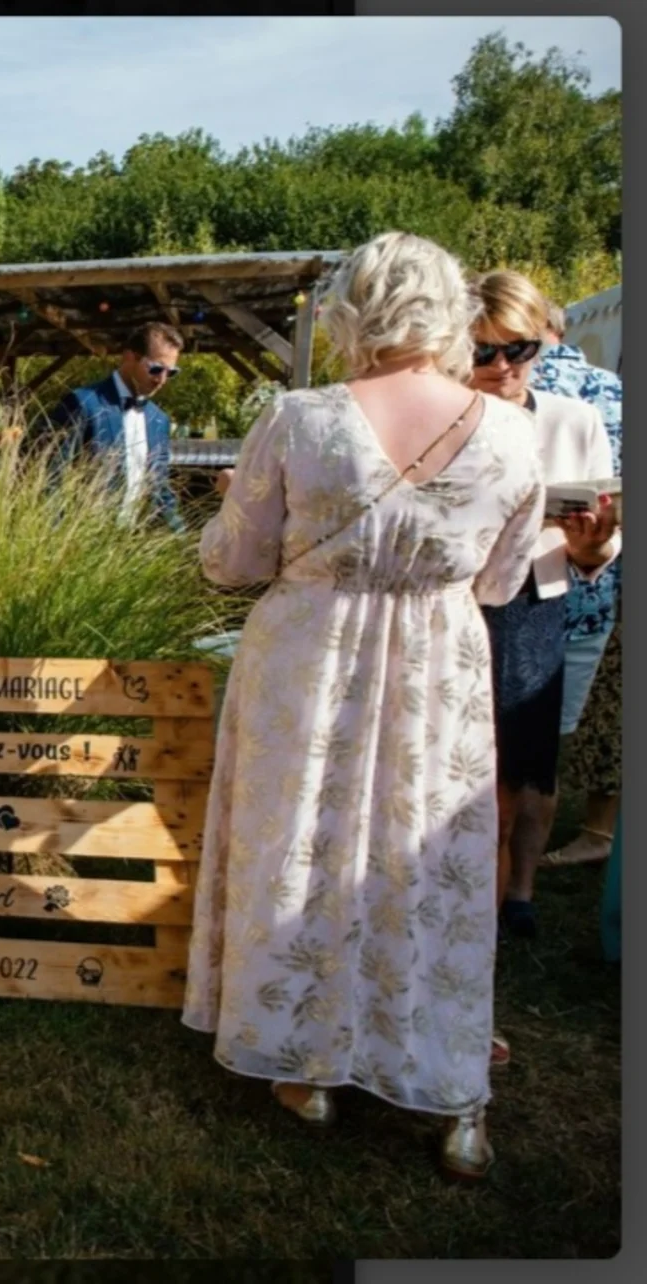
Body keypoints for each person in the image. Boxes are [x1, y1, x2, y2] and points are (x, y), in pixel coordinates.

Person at [183, 231, 545, 1181]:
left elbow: (231, 562)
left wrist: (239, 511)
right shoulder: (514, 433)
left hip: (309, 660)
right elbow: (502, 583)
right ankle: (454, 1094)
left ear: (352, 309)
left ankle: (304, 1066)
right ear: (451, 313)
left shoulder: (300, 420)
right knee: (424, 863)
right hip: (437, 669)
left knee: (303, 843)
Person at [468, 270, 617, 944]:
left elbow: (598, 553)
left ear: (541, 345)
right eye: (483, 351)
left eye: (519, 350)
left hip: (535, 602)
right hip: (458, 601)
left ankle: (517, 893)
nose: (502, 366)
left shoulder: (573, 419)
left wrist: (594, 542)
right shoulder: (441, 420)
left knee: (528, 764)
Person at [531, 299, 624, 868]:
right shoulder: (614, 389)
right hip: (598, 577)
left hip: (522, 583)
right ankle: (592, 829)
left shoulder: (489, 385)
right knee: (582, 722)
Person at [37, 323, 185, 530]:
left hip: (135, 540)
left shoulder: (159, 420)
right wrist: (57, 537)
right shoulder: (82, 403)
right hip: (81, 536)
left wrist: (182, 537)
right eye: (156, 368)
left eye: (171, 373)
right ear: (129, 357)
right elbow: (51, 478)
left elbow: (159, 486)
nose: (161, 380)